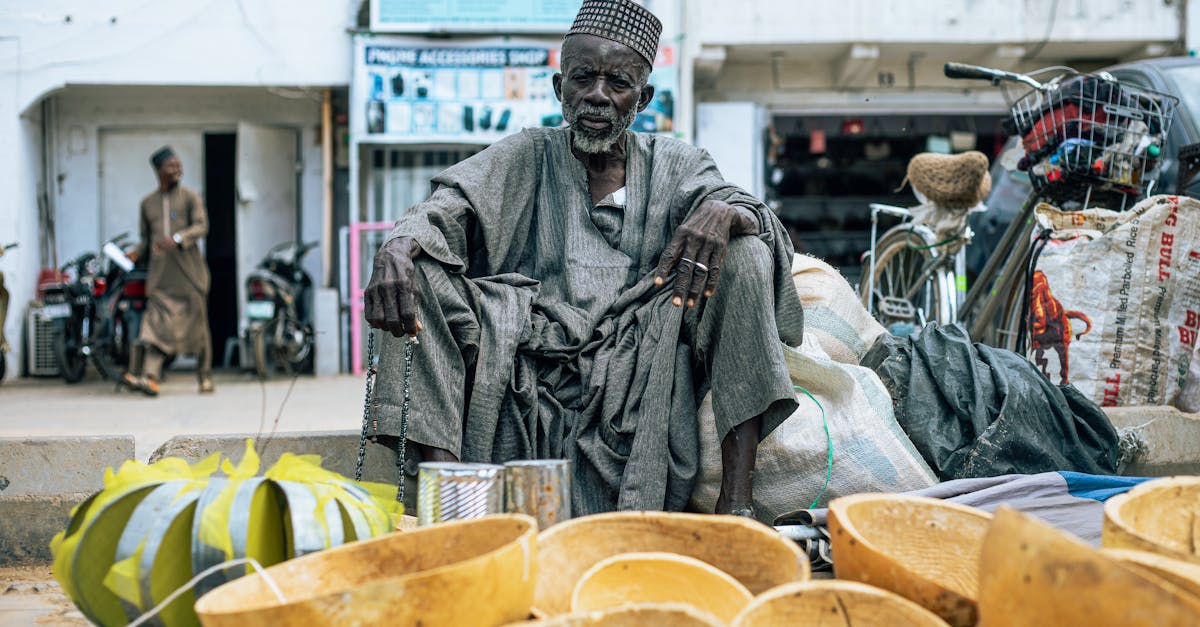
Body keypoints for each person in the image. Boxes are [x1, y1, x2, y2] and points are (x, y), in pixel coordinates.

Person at [364, 0, 803, 517]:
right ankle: (455, 508)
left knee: (747, 252)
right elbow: (443, 208)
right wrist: (397, 246)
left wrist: (722, 212)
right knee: (419, 270)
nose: (598, 96)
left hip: (642, 358)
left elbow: (757, 215)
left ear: (643, 97)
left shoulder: (678, 163)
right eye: (582, 79)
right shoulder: (526, 153)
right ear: (559, 89)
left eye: (618, 83)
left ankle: (737, 506)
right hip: (530, 350)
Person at [122, 147, 214, 396]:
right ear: (159, 170)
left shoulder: (190, 198)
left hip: (189, 275)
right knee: (155, 328)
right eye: (171, 166)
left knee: (198, 329)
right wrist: (137, 251)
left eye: (178, 165)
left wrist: (178, 237)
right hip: (161, 278)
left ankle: (204, 376)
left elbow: (201, 226)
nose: (177, 170)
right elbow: (146, 239)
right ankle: (150, 377)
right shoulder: (147, 204)